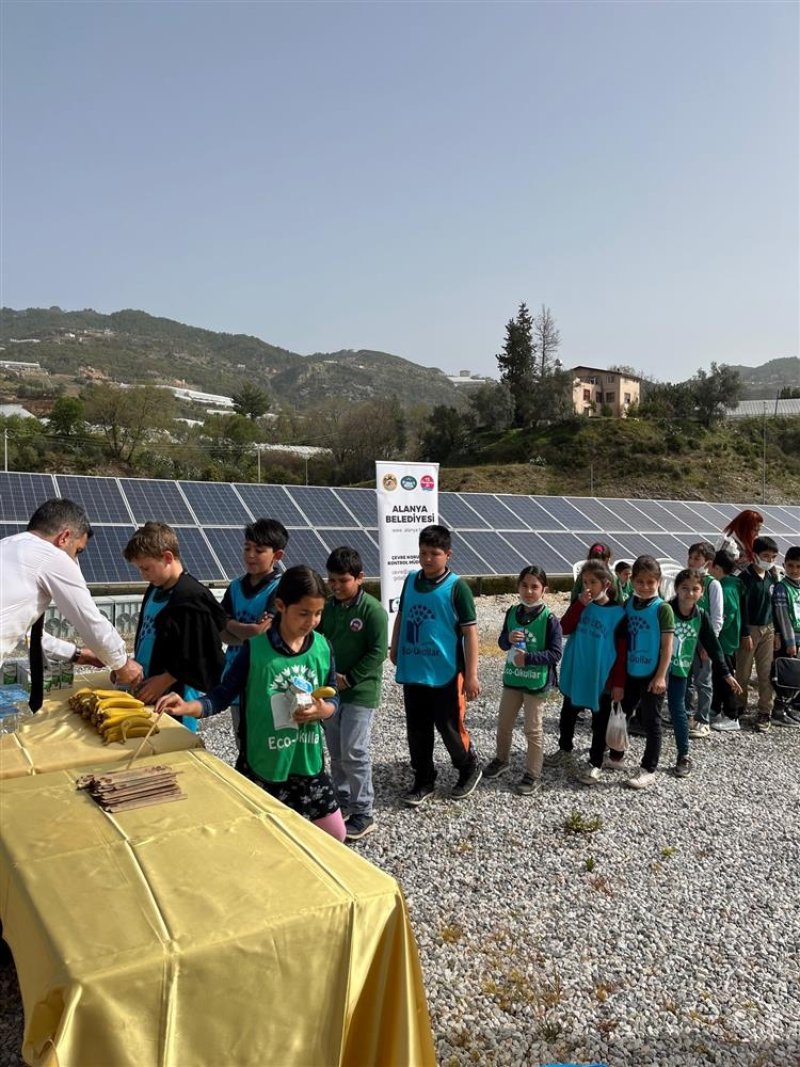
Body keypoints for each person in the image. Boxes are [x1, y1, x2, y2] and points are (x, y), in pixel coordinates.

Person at [157, 565, 345, 842]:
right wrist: (188, 706)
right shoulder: (255, 649)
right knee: (262, 839)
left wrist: (323, 710)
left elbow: (333, 698)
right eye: (304, 613)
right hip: (262, 765)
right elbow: (221, 695)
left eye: (318, 613)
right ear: (281, 605)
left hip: (306, 763)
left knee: (335, 835)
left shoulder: (322, 647)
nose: (312, 621)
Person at [0, 498, 143, 702]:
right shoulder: (51, 555)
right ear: (65, 537)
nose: (75, 560)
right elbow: (89, 620)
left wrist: (76, 654)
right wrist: (123, 664)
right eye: (78, 551)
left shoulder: (8, 545)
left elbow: (21, 631)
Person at [390, 524, 482, 806]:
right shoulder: (410, 581)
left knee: (449, 726)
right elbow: (402, 614)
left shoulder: (457, 588)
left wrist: (472, 675)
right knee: (417, 729)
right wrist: (395, 645)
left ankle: (468, 766)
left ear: (448, 554)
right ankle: (424, 779)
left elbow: (470, 633)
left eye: (434, 553)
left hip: (446, 673)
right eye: (423, 553)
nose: (427, 559)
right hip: (415, 670)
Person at [123, 522, 226, 731]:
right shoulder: (154, 589)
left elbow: (203, 653)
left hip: (175, 695)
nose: (143, 575)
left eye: (146, 568)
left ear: (167, 557)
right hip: (148, 687)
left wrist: (166, 678)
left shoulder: (192, 597)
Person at [319, 546, 388, 840]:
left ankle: (363, 811)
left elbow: (377, 651)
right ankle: (342, 798)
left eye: (342, 580)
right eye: (331, 580)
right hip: (331, 691)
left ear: (360, 578)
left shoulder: (372, 610)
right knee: (335, 751)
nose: (335, 586)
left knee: (354, 751)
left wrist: (352, 678)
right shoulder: (329, 607)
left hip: (360, 692)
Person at [543, 559, 626, 786]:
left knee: (599, 722)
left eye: (593, 582)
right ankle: (564, 748)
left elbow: (621, 653)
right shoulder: (581, 604)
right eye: (584, 581)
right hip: (577, 670)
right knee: (568, 713)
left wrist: (618, 683)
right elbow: (564, 628)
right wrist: (578, 605)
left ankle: (596, 762)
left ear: (606, 584)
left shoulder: (619, 613)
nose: (587, 586)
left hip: (602, 677)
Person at [482, 566, 562, 795]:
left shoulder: (550, 619)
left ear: (544, 590)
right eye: (524, 585)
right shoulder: (512, 612)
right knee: (504, 724)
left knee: (533, 730)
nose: (529, 591)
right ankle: (502, 760)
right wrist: (507, 639)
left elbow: (556, 653)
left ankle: (533, 774)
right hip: (513, 679)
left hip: (536, 682)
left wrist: (528, 659)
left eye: (534, 587)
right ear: (518, 587)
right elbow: (501, 643)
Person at [220, 518, 288, 746]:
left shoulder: (281, 588)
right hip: (236, 677)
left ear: (277, 556)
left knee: (269, 742)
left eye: (259, 551)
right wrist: (243, 630)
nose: (250, 555)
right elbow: (219, 630)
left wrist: (231, 624)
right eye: (247, 548)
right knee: (243, 741)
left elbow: (261, 633)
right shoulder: (235, 587)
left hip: (266, 677)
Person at [666, 568, 742, 773]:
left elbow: (713, 645)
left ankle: (683, 756)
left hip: (679, 670)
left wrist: (726, 673)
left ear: (701, 593)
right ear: (676, 589)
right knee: (646, 711)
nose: (689, 593)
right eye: (684, 588)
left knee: (678, 711)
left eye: (695, 589)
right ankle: (617, 749)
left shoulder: (701, 615)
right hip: (657, 670)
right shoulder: (665, 610)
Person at [621, 555, 674, 790]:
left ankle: (649, 768)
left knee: (651, 721)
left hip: (653, 673)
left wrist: (661, 675)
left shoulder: (662, 608)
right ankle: (616, 754)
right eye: (640, 582)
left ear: (658, 581)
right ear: (632, 581)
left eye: (650, 582)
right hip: (631, 670)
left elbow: (667, 646)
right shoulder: (628, 604)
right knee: (622, 712)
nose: (645, 587)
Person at [735, 535, 779, 732]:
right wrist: (744, 634)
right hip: (750, 630)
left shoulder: (772, 577)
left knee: (765, 673)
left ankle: (764, 711)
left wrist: (776, 631)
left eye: (772, 557)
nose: (769, 560)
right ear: (755, 555)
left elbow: (775, 607)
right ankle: (737, 707)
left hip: (768, 629)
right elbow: (741, 610)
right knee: (742, 672)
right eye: (765, 556)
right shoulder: (744, 579)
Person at [683, 541, 723, 733]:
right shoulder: (684, 581)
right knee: (685, 678)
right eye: (690, 557)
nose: (691, 561)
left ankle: (703, 719)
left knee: (703, 681)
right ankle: (686, 714)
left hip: (703, 640)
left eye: (697, 558)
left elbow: (717, 617)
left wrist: (709, 644)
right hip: (685, 637)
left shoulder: (713, 585)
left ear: (707, 562)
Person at [706, 551, 746, 734]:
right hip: (723, 641)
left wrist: (713, 635)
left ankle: (732, 716)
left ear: (718, 567)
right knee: (717, 677)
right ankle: (714, 708)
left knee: (725, 678)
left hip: (724, 642)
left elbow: (726, 615)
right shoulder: (728, 584)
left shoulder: (726, 588)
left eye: (711, 565)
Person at [770, 545, 800, 726]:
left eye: (798, 566)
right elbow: (782, 616)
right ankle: (778, 710)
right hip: (789, 640)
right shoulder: (782, 588)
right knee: (786, 674)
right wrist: (789, 641)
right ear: (784, 565)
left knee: (797, 675)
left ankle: (791, 707)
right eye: (790, 566)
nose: (794, 570)